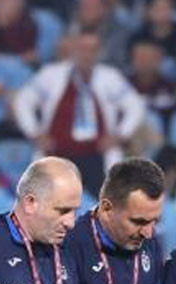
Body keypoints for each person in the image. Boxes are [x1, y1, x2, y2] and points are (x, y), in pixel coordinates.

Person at [10, 30, 148, 190]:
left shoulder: (110, 78)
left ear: (99, 52)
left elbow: (135, 105)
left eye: (92, 50)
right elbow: (23, 100)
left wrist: (120, 135)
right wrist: (34, 133)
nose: (87, 55)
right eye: (83, 49)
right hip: (57, 155)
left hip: (97, 158)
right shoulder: (51, 75)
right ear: (73, 49)